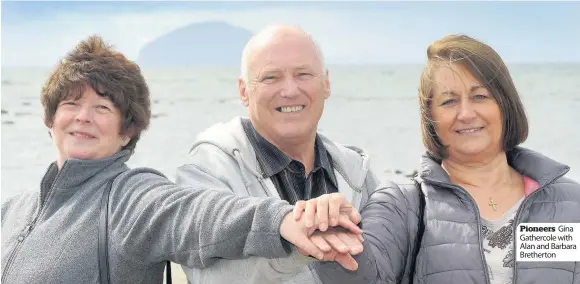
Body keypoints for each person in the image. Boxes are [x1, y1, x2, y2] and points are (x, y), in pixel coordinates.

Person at [0, 35, 363, 284]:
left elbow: (195, 213)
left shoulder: (130, 198)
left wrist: (283, 222)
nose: (83, 116)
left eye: (102, 108)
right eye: (71, 104)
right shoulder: (14, 211)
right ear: (51, 120)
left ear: (126, 131)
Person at [309, 34, 580, 283]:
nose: (466, 113)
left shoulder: (567, 201)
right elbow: (364, 276)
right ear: (431, 118)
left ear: (505, 105)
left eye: (480, 96)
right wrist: (334, 238)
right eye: (449, 101)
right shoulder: (402, 205)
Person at [175, 25, 379, 283]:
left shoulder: (355, 173)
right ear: (243, 91)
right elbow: (210, 277)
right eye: (271, 77)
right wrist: (297, 247)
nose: (290, 90)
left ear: (326, 83)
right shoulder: (208, 171)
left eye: (303, 74)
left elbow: (390, 266)